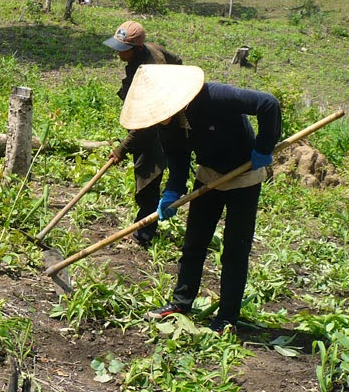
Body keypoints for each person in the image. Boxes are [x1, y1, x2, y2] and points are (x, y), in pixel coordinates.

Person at [119, 64, 281, 333]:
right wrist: (173, 191)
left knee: (234, 250)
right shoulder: (166, 124)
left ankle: (227, 316)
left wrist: (263, 148)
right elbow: (179, 157)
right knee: (194, 243)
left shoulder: (214, 96)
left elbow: (268, 104)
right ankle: (181, 303)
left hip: (244, 176)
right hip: (208, 176)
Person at [103, 20, 182, 247]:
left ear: (136, 48)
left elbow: (145, 124)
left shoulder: (150, 71)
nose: (117, 53)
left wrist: (123, 148)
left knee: (148, 178)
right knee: (145, 174)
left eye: (122, 49)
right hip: (151, 119)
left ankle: (144, 233)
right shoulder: (150, 49)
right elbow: (178, 62)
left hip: (159, 127)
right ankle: (144, 225)